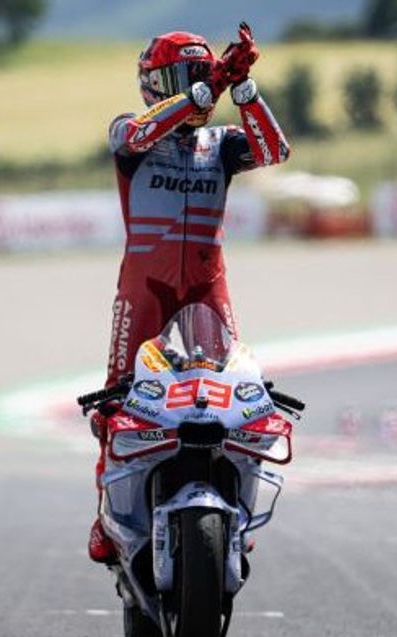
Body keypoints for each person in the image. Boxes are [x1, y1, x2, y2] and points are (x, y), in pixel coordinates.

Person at [88, 23, 290, 563]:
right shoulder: (128, 132)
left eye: (202, 75)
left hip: (207, 286)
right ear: (153, 85)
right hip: (144, 286)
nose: (198, 86)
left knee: (236, 397)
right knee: (114, 404)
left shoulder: (220, 144)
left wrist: (244, 89)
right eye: (183, 77)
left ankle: (236, 513)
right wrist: (207, 89)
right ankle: (105, 519)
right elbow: (136, 136)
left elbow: (275, 150)